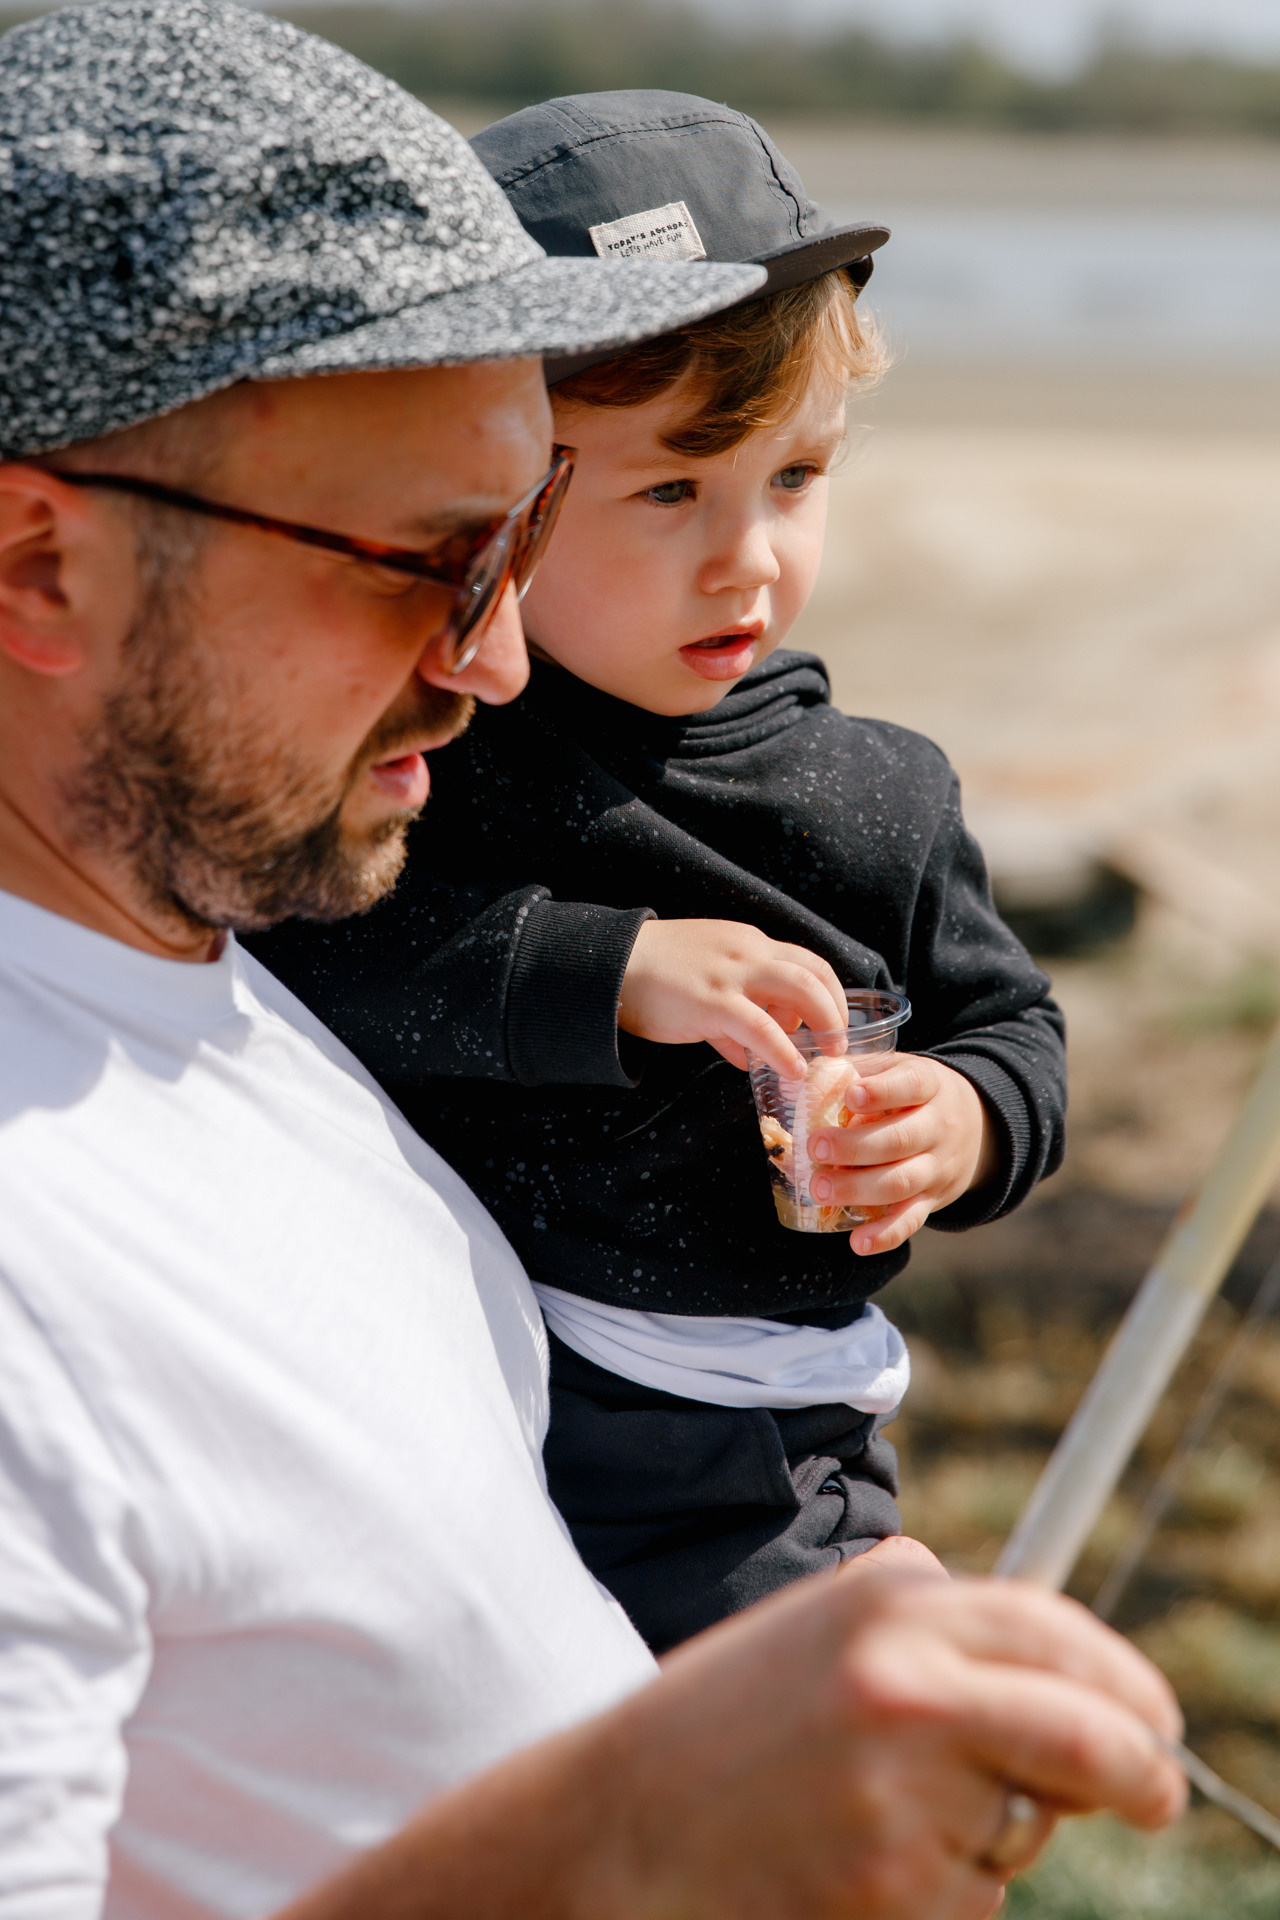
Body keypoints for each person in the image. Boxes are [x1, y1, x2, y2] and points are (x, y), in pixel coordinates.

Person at [0, 4, 1186, 1916]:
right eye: (432, 559)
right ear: (43, 571)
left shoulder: (218, 972)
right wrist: (645, 1828)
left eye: (514, 553)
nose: (488, 672)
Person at [251, 93, 1067, 1652]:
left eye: (796, 480)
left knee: (785, 1752)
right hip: (421, 1402)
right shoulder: (433, 748)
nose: (746, 556)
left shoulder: (873, 796)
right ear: (496, 485)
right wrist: (604, 968)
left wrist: (952, 1127)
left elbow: (1015, 1035)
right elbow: (306, 954)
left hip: (729, 1452)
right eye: (670, 492)